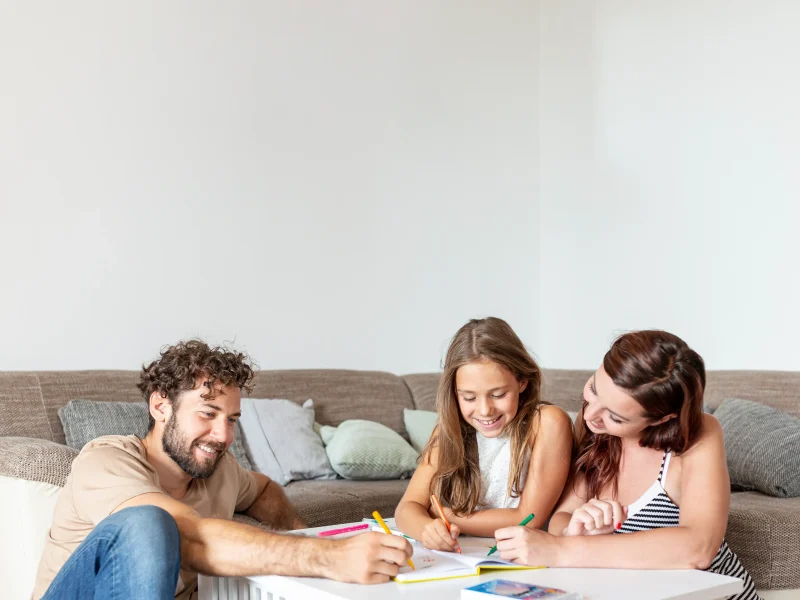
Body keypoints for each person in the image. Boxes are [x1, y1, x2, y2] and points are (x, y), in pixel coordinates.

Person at [33, 340, 412, 600]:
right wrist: (327, 557)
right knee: (149, 524)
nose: (223, 435)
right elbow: (191, 537)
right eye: (208, 414)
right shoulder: (106, 460)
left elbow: (263, 490)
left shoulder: (220, 469)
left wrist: (303, 532)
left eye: (232, 419)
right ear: (161, 407)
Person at [493, 330, 759, 600]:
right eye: (594, 390)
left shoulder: (698, 434)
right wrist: (576, 531)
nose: (590, 415)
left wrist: (562, 549)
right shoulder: (595, 428)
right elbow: (563, 517)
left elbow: (699, 548)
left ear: (660, 420)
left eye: (615, 417)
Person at [395, 317, 573, 552]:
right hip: (463, 555)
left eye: (498, 394)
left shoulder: (547, 422)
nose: (484, 410)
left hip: (525, 556)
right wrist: (426, 529)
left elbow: (528, 518)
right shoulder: (450, 429)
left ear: (522, 382)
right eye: (468, 398)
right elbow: (406, 508)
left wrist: (447, 516)